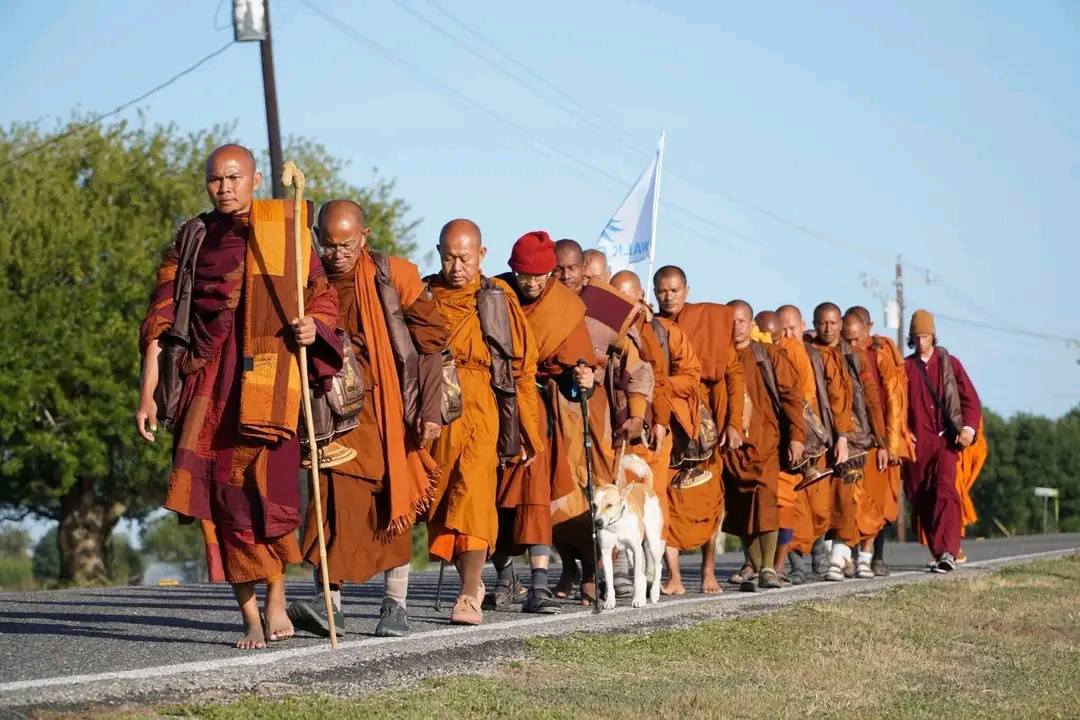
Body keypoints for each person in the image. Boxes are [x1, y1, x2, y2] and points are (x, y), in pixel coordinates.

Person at [137, 144, 342, 649]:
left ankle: (276, 596)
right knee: (224, 498)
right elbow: (161, 323)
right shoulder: (192, 240)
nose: (224, 187)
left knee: (266, 492)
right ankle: (250, 615)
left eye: (234, 178)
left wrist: (311, 326)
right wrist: (148, 395)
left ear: (253, 180)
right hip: (208, 381)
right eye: (214, 179)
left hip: (269, 378)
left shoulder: (282, 230)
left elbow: (322, 296)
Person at [286, 199, 448, 638]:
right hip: (328, 412)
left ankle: (395, 605)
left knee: (387, 506)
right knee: (329, 506)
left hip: (386, 411)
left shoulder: (395, 276)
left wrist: (428, 409)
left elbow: (433, 340)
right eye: (330, 244)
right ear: (318, 238)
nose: (338, 253)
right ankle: (331, 606)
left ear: (364, 236)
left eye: (347, 244)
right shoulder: (305, 280)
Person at [425, 219, 544, 624]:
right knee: (442, 500)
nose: (456, 266)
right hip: (435, 407)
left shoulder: (496, 299)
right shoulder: (425, 294)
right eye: (448, 256)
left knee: (473, 495)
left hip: (480, 404)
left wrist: (528, 430)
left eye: (464, 257)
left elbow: (522, 368)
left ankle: (467, 595)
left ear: (482, 255)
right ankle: (472, 581)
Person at [490, 231, 597, 613]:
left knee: (535, 496)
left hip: (536, 411)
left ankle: (538, 586)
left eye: (540, 277)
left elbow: (574, 371)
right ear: (512, 269)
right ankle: (504, 579)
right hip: (493, 404)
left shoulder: (564, 306)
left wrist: (584, 381)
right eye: (525, 276)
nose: (532, 284)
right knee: (491, 495)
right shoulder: (493, 294)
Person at [549, 242, 653, 602]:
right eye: (557, 269)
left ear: (583, 271)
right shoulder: (540, 303)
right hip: (551, 409)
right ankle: (567, 567)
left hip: (596, 413)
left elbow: (637, 367)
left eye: (571, 269)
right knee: (556, 493)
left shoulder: (607, 308)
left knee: (597, 490)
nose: (565, 276)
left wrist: (638, 414)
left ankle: (594, 569)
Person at [653, 266, 745, 595]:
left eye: (675, 290)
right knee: (667, 496)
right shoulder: (653, 327)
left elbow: (734, 373)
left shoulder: (709, 321)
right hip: (668, 418)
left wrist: (734, 422)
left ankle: (709, 571)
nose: (669, 296)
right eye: (662, 290)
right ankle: (673, 575)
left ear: (687, 290)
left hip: (705, 423)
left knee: (707, 497)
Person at [612, 270, 703, 582]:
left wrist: (660, 413)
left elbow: (683, 377)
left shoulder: (661, 331)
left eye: (629, 297)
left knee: (653, 496)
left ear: (640, 298)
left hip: (653, 428)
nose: (623, 303)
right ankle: (621, 566)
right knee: (616, 492)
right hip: (616, 425)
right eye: (617, 296)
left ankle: (654, 566)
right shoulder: (605, 328)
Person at [724, 301, 806, 591]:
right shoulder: (719, 356)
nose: (736, 327)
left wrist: (797, 435)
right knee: (741, 507)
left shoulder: (768, 356)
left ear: (751, 325)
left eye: (742, 321)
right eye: (730, 321)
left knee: (767, 502)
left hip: (766, 441)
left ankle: (769, 567)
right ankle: (757, 568)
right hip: (732, 446)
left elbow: (791, 397)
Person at [904, 309, 982, 572]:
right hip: (918, 444)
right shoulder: (905, 368)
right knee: (920, 496)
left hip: (946, 441)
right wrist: (903, 432)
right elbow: (897, 405)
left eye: (925, 336)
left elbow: (970, 399)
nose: (921, 341)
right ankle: (940, 551)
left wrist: (969, 429)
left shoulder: (950, 364)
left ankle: (948, 551)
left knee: (946, 491)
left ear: (933, 335)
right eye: (917, 337)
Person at [845, 305, 911, 575]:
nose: (852, 344)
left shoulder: (880, 356)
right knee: (852, 498)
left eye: (856, 339)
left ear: (867, 330)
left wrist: (891, 445)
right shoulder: (841, 356)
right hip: (851, 440)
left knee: (880, 502)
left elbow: (894, 403)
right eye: (847, 340)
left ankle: (876, 555)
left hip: (881, 439)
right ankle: (849, 555)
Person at [776, 304, 835, 581]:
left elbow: (833, 395)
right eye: (783, 329)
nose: (788, 334)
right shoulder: (775, 355)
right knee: (793, 503)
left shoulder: (817, 355)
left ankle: (820, 541)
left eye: (792, 328)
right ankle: (796, 560)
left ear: (802, 327)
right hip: (787, 438)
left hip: (817, 435)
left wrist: (840, 435)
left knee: (820, 505)